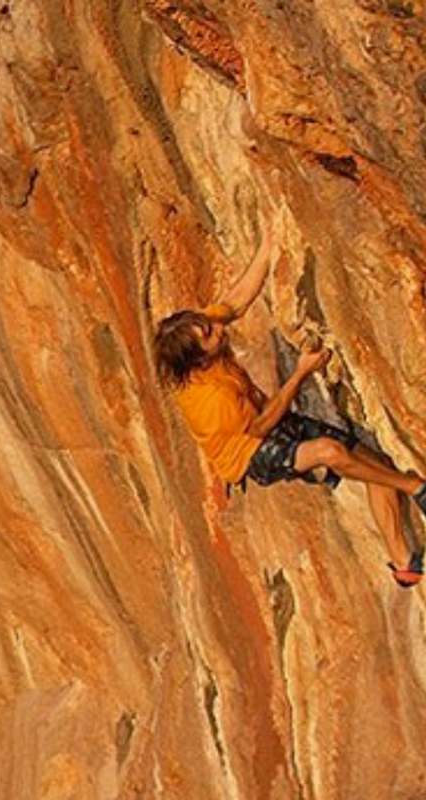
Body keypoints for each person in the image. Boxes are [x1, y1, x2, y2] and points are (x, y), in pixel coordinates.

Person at [154, 228, 426, 588]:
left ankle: (403, 561)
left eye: (207, 325)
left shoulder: (201, 338)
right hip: (251, 452)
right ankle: (416, 488)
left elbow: (235, 302)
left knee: (375, 467)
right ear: (197, 360)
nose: (217, 329)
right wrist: (300, 373)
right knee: (330, 451)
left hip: (270, 422)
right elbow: (260, 426)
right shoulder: (209, 399)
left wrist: (268, 244)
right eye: (209, 335)